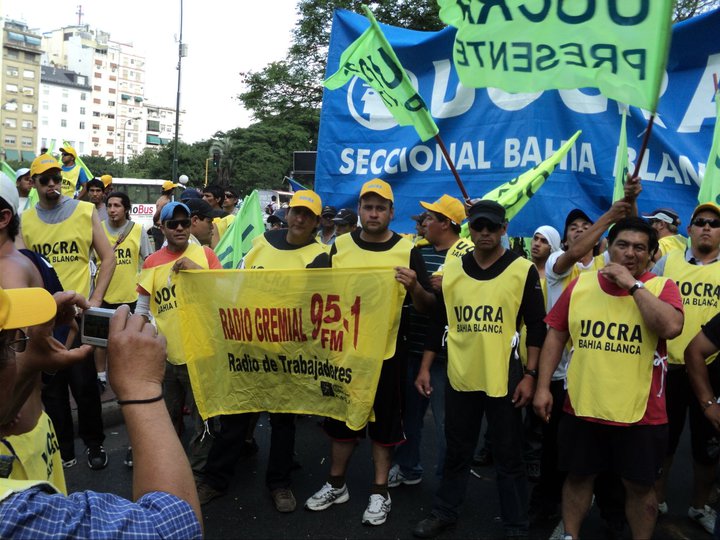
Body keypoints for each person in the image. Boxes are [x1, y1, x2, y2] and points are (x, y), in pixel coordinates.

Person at [0, 289, 202, 538]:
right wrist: (142, 386)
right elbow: (174, 525)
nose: (17, 351)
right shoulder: (14, 517)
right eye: (13, 343)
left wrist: (30, 360)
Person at [534, 217, 684, 540]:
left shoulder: (661, 287)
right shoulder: (581, 285)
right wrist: (543, 386)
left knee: (640, 487)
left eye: (639, 247)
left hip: (642, 414)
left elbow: (671, 327)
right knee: (577, 477)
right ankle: (570, 535)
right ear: (608, 248)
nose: (630, 253)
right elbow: (556, 335)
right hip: (584, 405)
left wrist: (632, 285)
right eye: (623, 245)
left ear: (651, 254)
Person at [412, 200, 546, 539]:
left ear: (504, 229)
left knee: (508, 454)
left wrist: (531, 376)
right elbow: (439, 322)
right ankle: (445, 511)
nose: (484, 233)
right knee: (458, 449)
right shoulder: (453, 269)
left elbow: (537, 327)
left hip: (504, 377)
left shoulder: (522, 269)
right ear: (469, 228)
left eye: (492, 227)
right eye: (478, 226)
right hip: (460, 375)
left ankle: (515, 524)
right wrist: (425, 368)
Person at [305, 178, 435, 526]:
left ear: (392, 212)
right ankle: (336, 484)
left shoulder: (408, 250)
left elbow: (427, 306)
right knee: (341, 420)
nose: (373, 213)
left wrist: (414, 288)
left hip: (388, 355)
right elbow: (312, 287)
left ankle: (380, 492)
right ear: (360, 210)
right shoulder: (341, 246)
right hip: (345, 353)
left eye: (380, 207)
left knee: (385, 427)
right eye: (368, 207)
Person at [196, 190, 329, 513]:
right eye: (296, 212)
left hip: (289, 353)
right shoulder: (261, 244)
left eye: (307, 216)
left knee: (283, 422)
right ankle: (215, 480)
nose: (299, 219)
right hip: (250, 349)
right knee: (237, 415)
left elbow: (320, 307)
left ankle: (279, 484)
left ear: (316, 222)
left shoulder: (322, 256)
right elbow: (236, 284)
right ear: (287, 213)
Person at [22, 154, 115, 470]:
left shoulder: (85, 211)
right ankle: (63, 451)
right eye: (44, 180)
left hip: (77, 317)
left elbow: (108, 258)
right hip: (42, 321)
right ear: (33, 184)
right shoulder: (25, 222)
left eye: (56, 179)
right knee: (52, 391)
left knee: (85, 385)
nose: (52, 185)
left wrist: (97, 301)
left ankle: (94, 445)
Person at [136, 202, 222, 476]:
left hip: (202, 353)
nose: (181, 228)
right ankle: (170, 468)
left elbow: (225, 296)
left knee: (204, 419)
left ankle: (197, 472)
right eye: (173, 224)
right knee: (167, 417)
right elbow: (142, 308)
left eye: (185, 222)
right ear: (162, 228)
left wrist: (199, 271)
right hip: (168, 356)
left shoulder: (206, 255)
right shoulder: (151, 263)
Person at [391, 194, 471, 488]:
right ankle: (408, 468)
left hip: (446, 356)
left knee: (447, 425)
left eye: (430, 217)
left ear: (446, 224)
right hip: (411, 347)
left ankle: (447, 483)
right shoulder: (417, 253)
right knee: (409, 417)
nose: (424, 221)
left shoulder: (468, 258)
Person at [652, 201, 720, 534]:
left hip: (712, 371)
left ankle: (698, 506)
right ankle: (657, 500)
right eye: (701, 221)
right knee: (663, 441)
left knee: (706, 448)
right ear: (689, 230)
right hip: (670, 369)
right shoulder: (669, 261)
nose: (707, 227)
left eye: (714, 222)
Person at [0, 173, 67, 491]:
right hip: (35, 432)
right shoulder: (26, 260)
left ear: (3, 218)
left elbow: (18, 361)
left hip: (14, 443)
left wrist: (7, 406)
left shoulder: (6, 271)